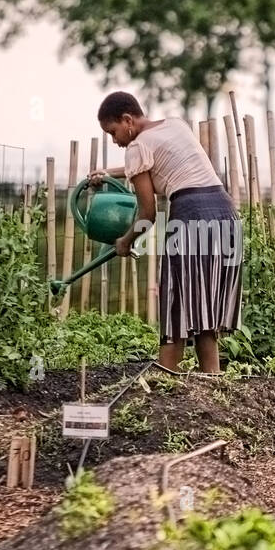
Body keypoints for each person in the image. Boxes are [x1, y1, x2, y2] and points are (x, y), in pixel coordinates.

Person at [92, 91, 242, 374]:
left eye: (113, 132)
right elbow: (154, 161)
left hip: (191, 216)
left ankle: (166, 382)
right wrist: (109, 173)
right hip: (225, 215)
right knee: (204, 306)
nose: (115, 141)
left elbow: (147, 216)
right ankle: (213, 380)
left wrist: (125, 242)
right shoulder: (175, 125)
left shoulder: (137, 147)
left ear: (127, 120)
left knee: (177, 301)